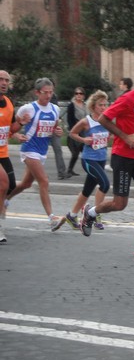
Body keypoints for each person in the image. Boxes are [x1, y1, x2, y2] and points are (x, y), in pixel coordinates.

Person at [79, 65, 134, 259]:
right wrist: (125, 136)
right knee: (120, 204)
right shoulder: (127, 99)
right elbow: (104, 119)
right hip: (123, 157)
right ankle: (91, 212)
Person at [8, 77, 65, 230]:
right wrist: (16, 135)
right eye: (45, 92)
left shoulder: (55, 109)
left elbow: (54, 129)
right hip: (29, 149)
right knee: (44, 181)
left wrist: (58, 131)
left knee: (26, 183)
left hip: (42, 152)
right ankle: (52, 218)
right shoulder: (28, 109)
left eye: (51, 92)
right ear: (37, 93)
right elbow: (12, 127)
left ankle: (5, 198)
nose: (48, 95)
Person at [58, 90, 111, 231]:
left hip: (101, 158)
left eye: (105, 105)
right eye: (100, 105)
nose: (103, 108)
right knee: (105, 184)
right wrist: (84, 140)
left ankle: (72, 215)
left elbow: (111, 135)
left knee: (87, 190)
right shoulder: (86, 122)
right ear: (93, 106)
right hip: (88, 159)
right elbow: (72, 133)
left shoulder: (107, 120)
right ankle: (95, 215)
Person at [0, 70, 29, 243]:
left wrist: (20, 125)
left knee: (10, 185)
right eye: (1, 79)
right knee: (3, 183)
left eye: (6, 80)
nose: (3, 83)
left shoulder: (9, 103)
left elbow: (10, 129)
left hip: (3, 152)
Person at [66, 87, 87, 177]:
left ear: (83, 95)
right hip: (75, 131)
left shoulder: (86, 105)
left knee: (84, 152)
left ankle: (70, 170)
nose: (78, 95)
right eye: (76, 93)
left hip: (84, 131)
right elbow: (69, 119)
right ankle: (69, 170)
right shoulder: (72, 105)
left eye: (80, 93)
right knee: (75, 153)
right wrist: (73, 130)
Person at [50, 90, 69, 180]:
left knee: (58, 150)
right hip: (44, 125)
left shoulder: (54, 96)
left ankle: (61, 172)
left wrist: (58, 125)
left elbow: (55, 110)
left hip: (54, 126)